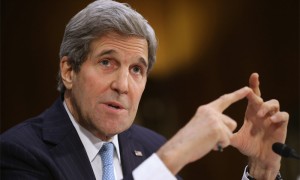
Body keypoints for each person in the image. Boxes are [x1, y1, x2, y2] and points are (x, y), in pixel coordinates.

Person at [0, 0, 289, 179]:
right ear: (68, 71)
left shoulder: (150, 147)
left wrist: (261, 172)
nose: (123, 86)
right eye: (106, 62)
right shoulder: (19, 153)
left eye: (136, 69)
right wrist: (174, 155)